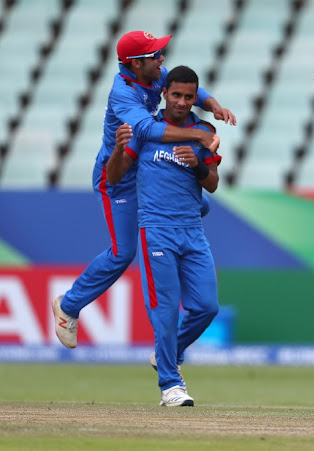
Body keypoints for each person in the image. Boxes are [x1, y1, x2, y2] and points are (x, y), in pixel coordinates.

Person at [52, 30, 235, 349]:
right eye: (154, 54)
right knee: (123, 253)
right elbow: (148, 130)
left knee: (198, 206)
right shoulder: (122, 91)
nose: (161, 58)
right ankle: (69, 306)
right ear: (135, 64)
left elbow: (190, 87)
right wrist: (199, 137)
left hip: (147, 169)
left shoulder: (152, 71)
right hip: (119, 175)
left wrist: (214, 106)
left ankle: (177, 247)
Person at [106, 65, 221, 406]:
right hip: (156, 231)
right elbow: (114, 178)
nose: (183, 102)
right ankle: (170, 384)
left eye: (189, 96)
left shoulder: (204, 130)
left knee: (206, 307)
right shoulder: (145, 130)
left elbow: (212, 182)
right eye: (176, 95)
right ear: (164, 93)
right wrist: (116, 149)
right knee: (166, 310)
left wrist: (197, 166)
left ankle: (169, 352)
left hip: (192, 231)